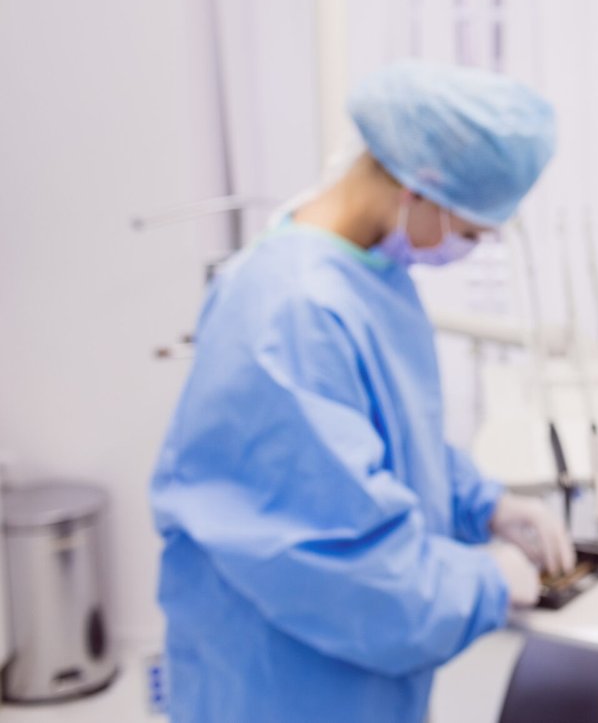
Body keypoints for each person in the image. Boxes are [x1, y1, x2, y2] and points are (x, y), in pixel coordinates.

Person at [150, 61, 576, 723]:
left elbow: (382, 441)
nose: (468, 248)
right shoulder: (291, 310)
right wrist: (484, 583)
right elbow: (340, 561)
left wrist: (483, 503)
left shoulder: (369, 274)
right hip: (282, 682)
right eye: (470, 232)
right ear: (418, 188)